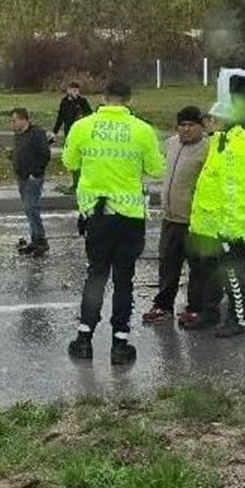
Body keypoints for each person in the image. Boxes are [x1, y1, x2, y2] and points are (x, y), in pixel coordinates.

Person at [64, 80, 165, 365]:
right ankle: (120, 343)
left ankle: (84, 339)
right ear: (129, 99)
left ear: (103, 97)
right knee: (124, 279)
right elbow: (157, 169)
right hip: (130, 216)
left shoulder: (82, 127)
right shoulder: (142, 130)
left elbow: (70, 162)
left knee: (96, 275)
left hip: (97, 215)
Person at [183, 99, 245, 337]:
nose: (207, 122)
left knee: (231, 274)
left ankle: (238, 319)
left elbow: (235, 192)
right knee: (211, 272)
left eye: (211, 118)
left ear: (223, 121)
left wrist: (229, 230)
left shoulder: (236, 147)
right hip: (211, 226)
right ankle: (210, 313)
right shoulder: (220, 141)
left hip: (227, 228)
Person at [141, 106, 209, 325]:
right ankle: (163, 306)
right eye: (182, 125)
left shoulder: (208, 148)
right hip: (170, 218)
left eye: (191, 125)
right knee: (168, 265)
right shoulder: (171, 143)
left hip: (194, 221)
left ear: (201, 126)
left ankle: (196, 308)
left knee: (198, 268)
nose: (186, 129)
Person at [10, 107, 52, 257]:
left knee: (31, 207)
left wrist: (36, 172)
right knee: (29, 209)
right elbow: (20, 152)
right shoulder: (19, 135)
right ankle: (35, 238)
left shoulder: (36, 133)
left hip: (32, 177)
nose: (12, 124)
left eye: (14, 121)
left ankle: (40, 240)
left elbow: (45, 154)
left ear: (23, 119)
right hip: (22, 176)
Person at [51, 82, 93, 194]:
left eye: (77, 91)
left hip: (82, 134)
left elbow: (90, 115)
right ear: (68, 90)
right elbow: (60, 118)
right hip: (69, 134)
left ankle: (83, 182)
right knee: (73, 158)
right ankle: (75, 183)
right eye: (74, 90)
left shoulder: (82, 102)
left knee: (83, 158)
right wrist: (54, 132)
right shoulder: (64, 102)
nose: (76, 93)